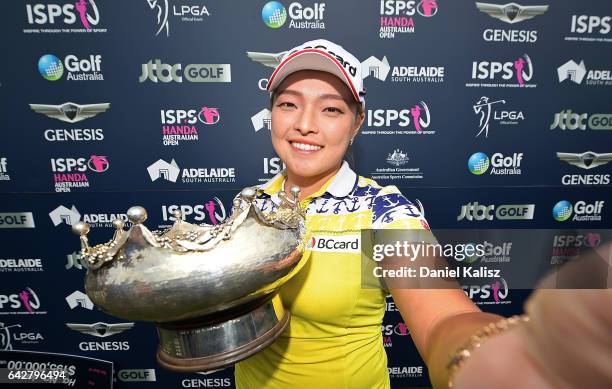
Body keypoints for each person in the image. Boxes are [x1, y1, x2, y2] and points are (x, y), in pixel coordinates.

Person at [234, 39, 612, 389]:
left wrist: (494, 357)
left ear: (356, 123)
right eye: (288, 104)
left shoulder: (383, 212)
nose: (304, 123)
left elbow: (443, 319)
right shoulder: (250, 203)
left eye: (330, 108)